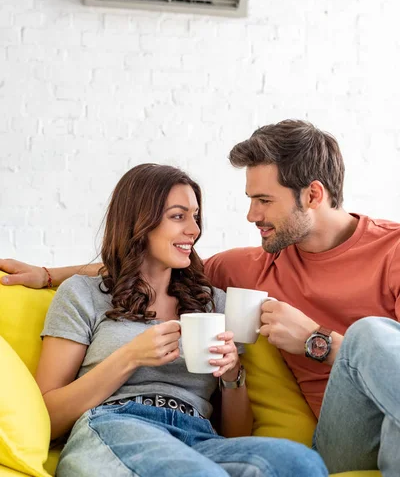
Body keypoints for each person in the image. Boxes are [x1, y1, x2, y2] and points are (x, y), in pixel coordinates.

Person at [2, 119, 399, 475]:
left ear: (312, 194)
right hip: (120, 423)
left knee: (362, 351)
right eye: (179, 216)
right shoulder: (240, 272)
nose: (248, 216)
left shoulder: (390, 252)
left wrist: (292, 351)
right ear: (140, 222)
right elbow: (136, 263)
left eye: (263, 200)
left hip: (207, 433)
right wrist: (48, 275)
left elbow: (232, 429)